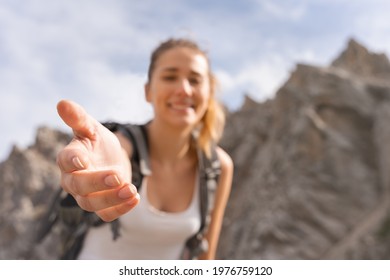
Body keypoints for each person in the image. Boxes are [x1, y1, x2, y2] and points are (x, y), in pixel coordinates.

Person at [56, 38, 233, 260]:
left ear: (209, 93)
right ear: (148, 91)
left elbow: (206, 258)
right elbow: (118, 150)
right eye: (170, 77)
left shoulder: (218, 167)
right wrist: (98, 164)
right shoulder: (125, 143)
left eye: (195, 80)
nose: (184, 89)